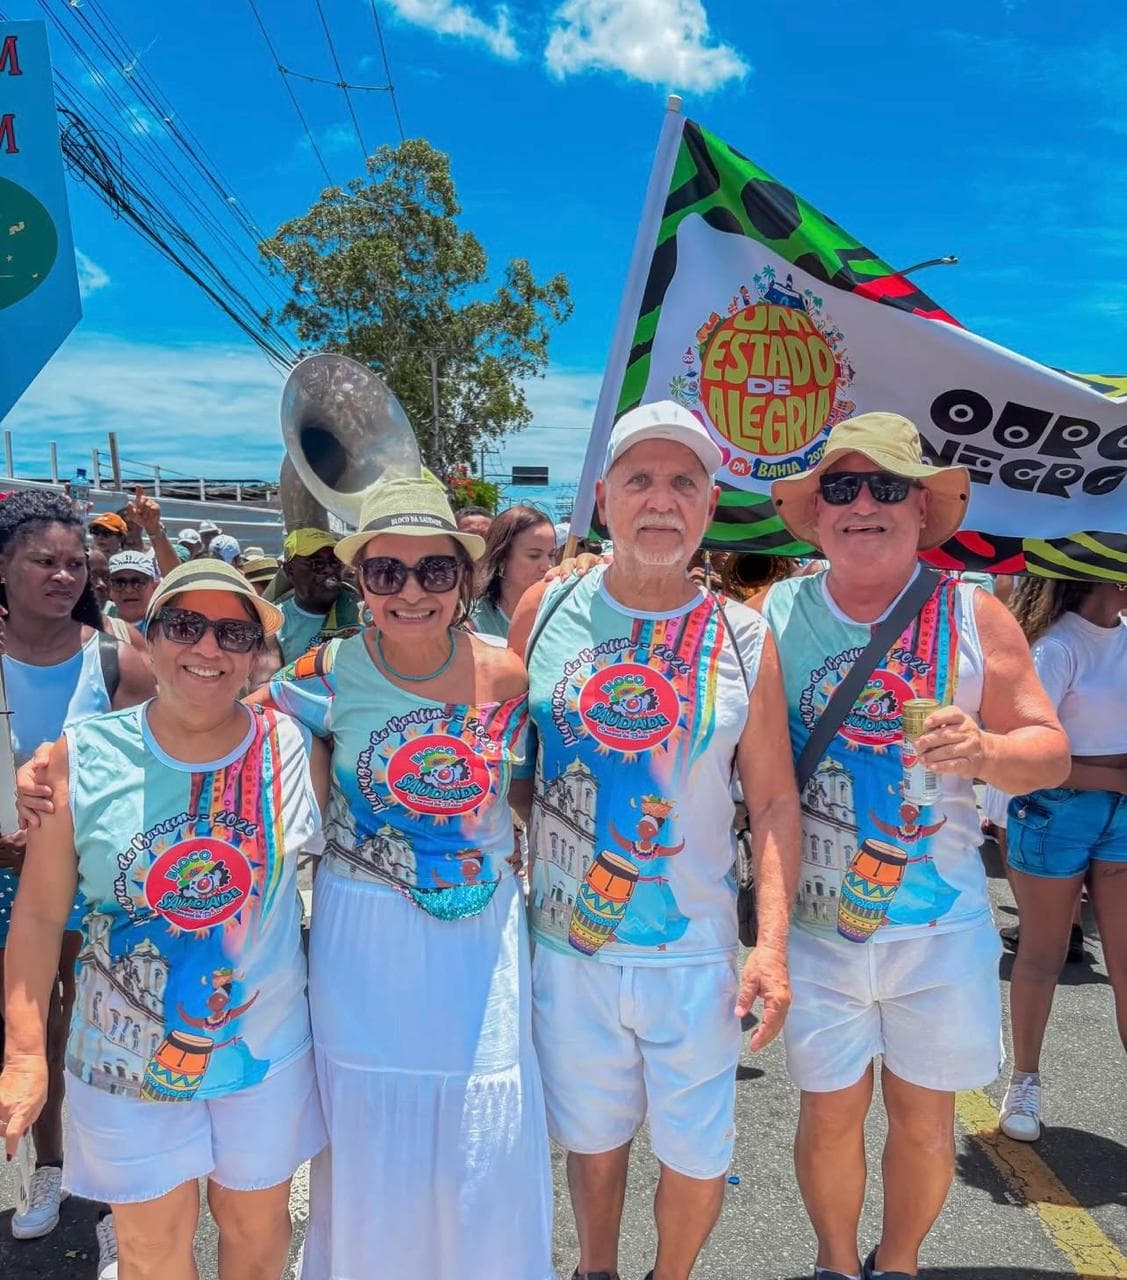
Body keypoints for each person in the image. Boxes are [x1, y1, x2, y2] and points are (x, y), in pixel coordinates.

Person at [761, 412, 1069, 1280]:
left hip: (937, 927)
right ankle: (833, 1262)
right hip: (819, 931)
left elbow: (1048, 751)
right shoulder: (774, 613)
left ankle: (897, 1264)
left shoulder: (972, 612)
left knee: (925, 1119)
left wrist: (986, 752)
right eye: (842, 487)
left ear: (921, 510)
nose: (863, 504)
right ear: (816, 514)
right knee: (827, 1114)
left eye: (887, 486)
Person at [509, 400, 801, 1280]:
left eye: (684, 482)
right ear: (604, 499)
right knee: (592, 1140)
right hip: (570, 945)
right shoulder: (544, 609)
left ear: (709, 507)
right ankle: (595, 1270)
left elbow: (777, 800)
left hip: (695, 948)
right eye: (640, 479)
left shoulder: (744, 637)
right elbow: (507, 761)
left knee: (697, 1153)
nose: (661, 501)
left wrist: (770, 946)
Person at [251, 474, 552, 1279]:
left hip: (478, 937)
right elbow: (208, 733)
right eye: (386, 572)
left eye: (434, 571)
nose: (410, 591)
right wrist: (59, 766)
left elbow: (530, 791)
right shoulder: (319, 674)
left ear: (466, 578)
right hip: (363, 937)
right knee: (364, 1134)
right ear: (360, 581)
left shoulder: (508, 677)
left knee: (484, 1132)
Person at [2, 559, 327, 1280]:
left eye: (233, 633)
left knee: (257, 1230)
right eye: (184, 625)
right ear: (147, 638)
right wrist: (25, 1054)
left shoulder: (290, 747)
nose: (208, 649)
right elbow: (39, 914)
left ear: (255, 655)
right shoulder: (81, 758)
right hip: (122, 1059)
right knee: (151, 1248)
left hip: (260, 1052)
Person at [0, 491, 153, 1253]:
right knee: (24, 1025)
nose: (62, 576)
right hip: (2, 871)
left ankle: (88, 1173)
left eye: (73, 563)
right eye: (42, 561)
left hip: (89, 875)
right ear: (4, 568)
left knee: (87, 1021)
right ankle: (43, 1157)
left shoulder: (115, 654)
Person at [998, 575, 1127, 1141]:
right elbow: (1030, 757)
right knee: (1044, 954)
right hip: (1054, 812)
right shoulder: (1056, 647)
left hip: (1118, 813)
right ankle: (1023, 1081)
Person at [277, 528, 362, 664]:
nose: (329, 569)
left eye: (334, 562)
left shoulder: (362, 611)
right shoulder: (276, 623)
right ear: (290, 571)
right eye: (317, 563)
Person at [471, 504, 557, 639]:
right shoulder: (473, 622)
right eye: (534, 556)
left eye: (551, 555)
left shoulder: (560, 612)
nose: (548, 566)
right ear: (502, 558)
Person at [107, 551, 158, 631]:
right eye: (119, 583)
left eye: (138, 582)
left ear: (154, 587)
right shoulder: (97, 624)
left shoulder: (166, 626)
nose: (129, 590)